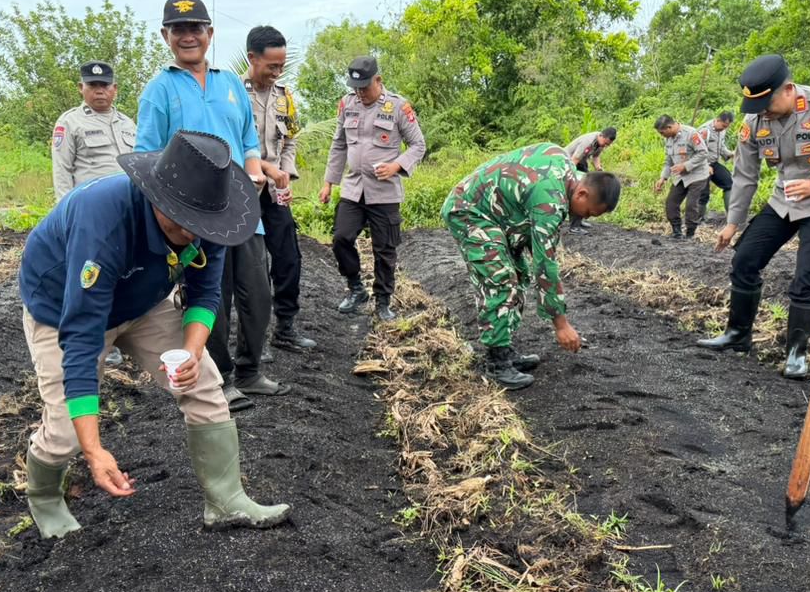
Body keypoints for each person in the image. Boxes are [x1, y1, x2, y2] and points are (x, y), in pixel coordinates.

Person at [18, 129, 290, 538]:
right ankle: (44, 498)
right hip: (63, 310)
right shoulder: (103, 221)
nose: (196, 235)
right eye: (185, 227)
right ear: (156, 199)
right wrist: (94, 451)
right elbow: (81, 339)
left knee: (205, 382)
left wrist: (193, 353)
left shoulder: (210, 216)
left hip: (142, 301)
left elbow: (205, 291)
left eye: (204, 227)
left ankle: (226, 500)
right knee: (65, 429)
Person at [137, 0, 286, 410]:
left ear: (210, 34)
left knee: (257, 292)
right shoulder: (159, 90)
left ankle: (252, 370)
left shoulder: (230, 83)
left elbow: (248, 141)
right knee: (210, 296)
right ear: (166, 35)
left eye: (196, 29)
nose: (189, 37)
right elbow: (148, 155)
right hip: (193, 217)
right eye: (179, 30)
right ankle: (219, 379)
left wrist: (255, 168)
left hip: (241, 210)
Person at [698, 55, 810, 380]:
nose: (762, 112)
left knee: (806, 278)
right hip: (784, 201)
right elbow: (745, 176)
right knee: (745, 260)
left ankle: (796, 354)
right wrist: (733, 223)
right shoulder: (755, 122)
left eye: (767, 103)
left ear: (788, 89)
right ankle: (738, 335)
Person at [441, 143, 621, 389]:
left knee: (518, 275)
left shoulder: (564, 165)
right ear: (581, 194)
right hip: (469, 211)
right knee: (501, 280)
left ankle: (504, 349)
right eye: (588, 213)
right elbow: (545, 263)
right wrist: (561, 324)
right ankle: (496, 362)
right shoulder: (551, 200)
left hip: (499, 214)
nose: (583, 218)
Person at [320, 55, 427, 322]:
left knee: (384, 250)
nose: (360, 93)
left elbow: (418, 145)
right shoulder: (347, 104)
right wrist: (328, 182)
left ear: (378, 80)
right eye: (356, 87)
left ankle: (383, 301)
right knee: (341, 238)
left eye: (365, 87)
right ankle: (356, 288)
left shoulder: (398, 107)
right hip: (354, 188)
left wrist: (396, 166)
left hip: (385, 191)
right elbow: (339, 144)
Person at [244, 25, 316, 354]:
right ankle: (252, 338)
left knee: (288, 258)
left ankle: (285, 327)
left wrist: (285, 171)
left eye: (281, 66)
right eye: (271, 66)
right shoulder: (233, 95)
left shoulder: (284, 97)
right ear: (252, 59)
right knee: (251, 268)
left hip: (273, 193)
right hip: (240, 193)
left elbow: (290, 140)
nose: (277, 72)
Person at [51, 61, 137, 201]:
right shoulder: (70, 122)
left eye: (104, 85)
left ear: (115, 88)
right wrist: (65, 210)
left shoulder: (127, 123)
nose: (99, 91)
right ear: (81, 87)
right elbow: (62, 170)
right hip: (90, 204)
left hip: (128, 202)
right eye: (92, 85)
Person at [652, 115, 710, 239]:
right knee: (671, 204)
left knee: (691, 205)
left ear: (669, 127)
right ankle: (677, 232)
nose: (662, 135)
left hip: (697, 175)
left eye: (662, 132)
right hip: (680, 177)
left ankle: (690, 234)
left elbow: (703, 152)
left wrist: (686, 165)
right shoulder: (668, 139)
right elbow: (669, 161)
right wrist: (663, 178)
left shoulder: (691, 134)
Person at [564, 126, 617, 234]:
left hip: (581, 161)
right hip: (567, 162)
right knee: (580, 191)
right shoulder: (587, 142)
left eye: (607, 145)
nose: (605, 146)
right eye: (605, 143)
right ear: (601, 135)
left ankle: (579, 220)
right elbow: (574, 160)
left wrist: (599, 170)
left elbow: (596, 156)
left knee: (587, 189)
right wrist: (572, 180)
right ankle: (574, 226)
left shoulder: (600, 142)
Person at [697, 111, 735, 219]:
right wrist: (705, 165)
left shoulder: (722, 131)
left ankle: (731, 217)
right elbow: (696, 151)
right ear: (717, 120)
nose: (724, 129)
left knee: (730, 182)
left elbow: (721, 147)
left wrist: (730, 154)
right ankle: (698, 219)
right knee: (703, 194)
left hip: (713, 163)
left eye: (726, 127)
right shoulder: (704, 130)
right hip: (700, 165)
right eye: (723, 126)